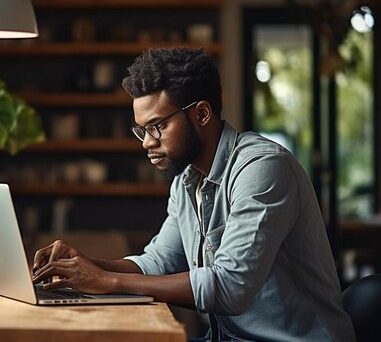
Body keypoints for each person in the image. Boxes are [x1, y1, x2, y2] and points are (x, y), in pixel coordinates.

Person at [32, 47, 356, 342]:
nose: (146, 142)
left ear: (201, 114)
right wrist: (84, 265)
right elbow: (158, 262)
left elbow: (230, 287)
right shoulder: (187, 180)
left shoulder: (263, 168)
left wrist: (108, 281)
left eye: (157, 126)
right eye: (141, 130)